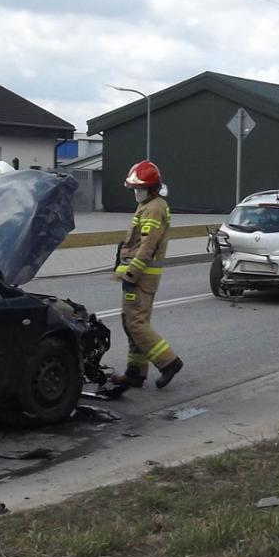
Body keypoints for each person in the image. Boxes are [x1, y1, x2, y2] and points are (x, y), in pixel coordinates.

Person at [113, 160, 185, 389]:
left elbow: (147, 246)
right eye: (134, 189)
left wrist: (131, 274)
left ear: (151, 188)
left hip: (141, 277)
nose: (135, 193)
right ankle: (135, 372)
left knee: (135, 324)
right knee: (131, 323)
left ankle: (169, 362)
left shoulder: (153, 207)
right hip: (139, 275)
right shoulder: (148, 204)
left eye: (139, 188)